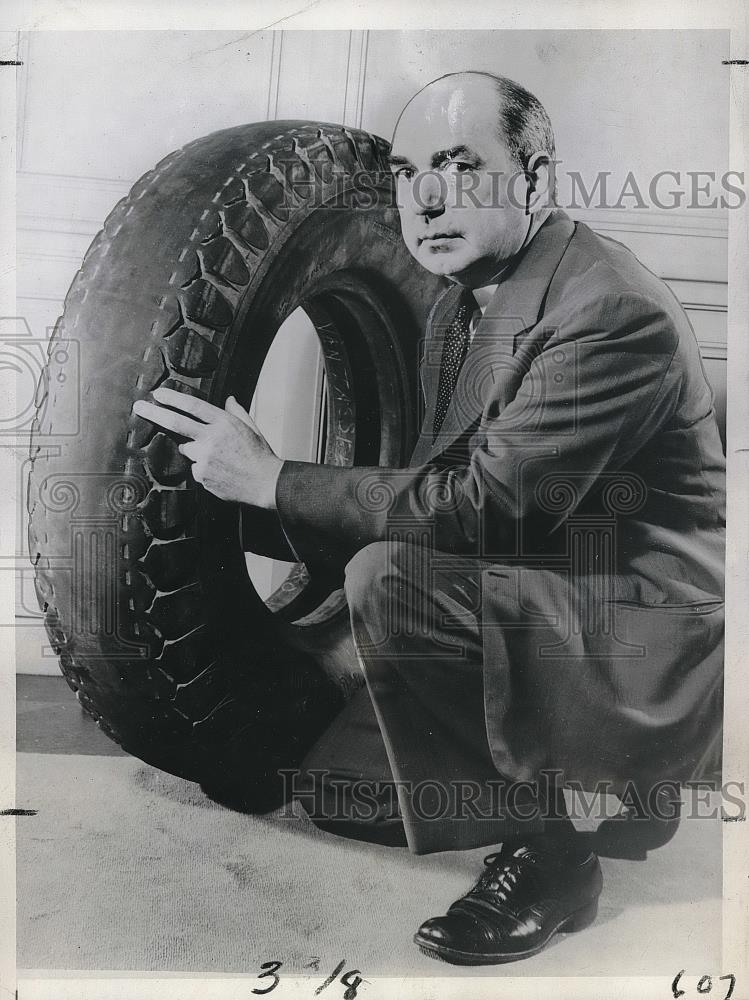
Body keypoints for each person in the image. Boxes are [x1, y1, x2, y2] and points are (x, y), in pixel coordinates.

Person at [133, 71, 725, 965]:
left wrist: (275, 482)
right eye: (410, 171)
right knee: (328, 788)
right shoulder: (469, 294)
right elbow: (439, 485)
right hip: (564, 565)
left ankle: (557, 859)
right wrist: (248, 501)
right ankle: (614, 797)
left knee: (389, 580)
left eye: (459, 164)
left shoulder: (608, 313)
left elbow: (482, 513)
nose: (426, 197)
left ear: (533, 181)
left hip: (644, 623)